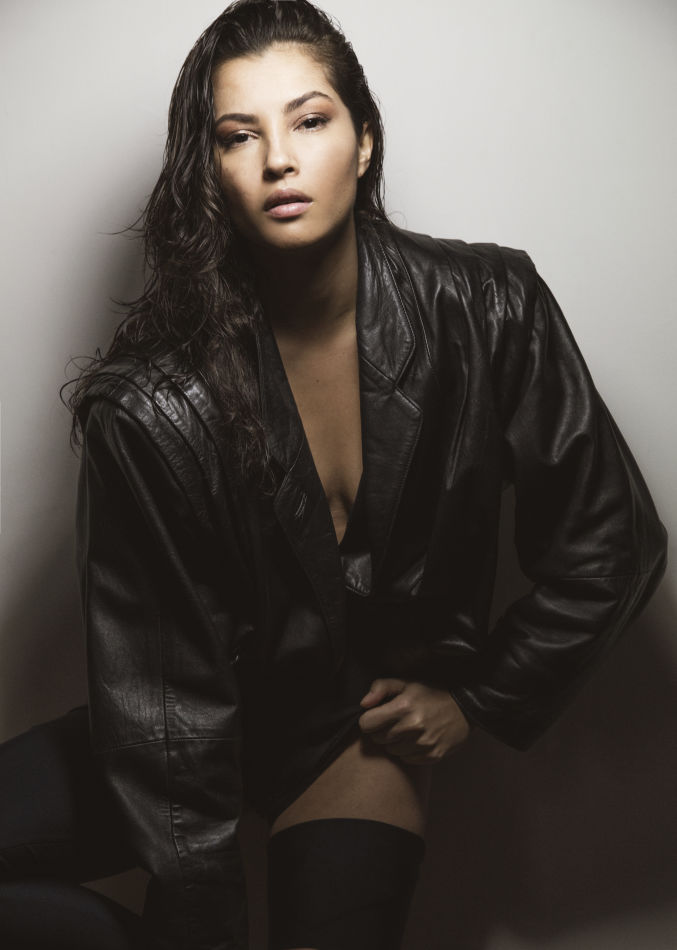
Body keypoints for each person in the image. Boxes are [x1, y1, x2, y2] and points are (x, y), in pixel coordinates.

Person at [0, 1, 668, 948]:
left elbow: (609, 540)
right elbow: (166, 697)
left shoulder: (489, 308)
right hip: (184, 725)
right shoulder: (152, 402)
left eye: (309, 120)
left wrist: (480, 696)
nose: (279, 159)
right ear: (211, 172)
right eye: (240, 136)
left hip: (357, 734)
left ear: (363, 142)